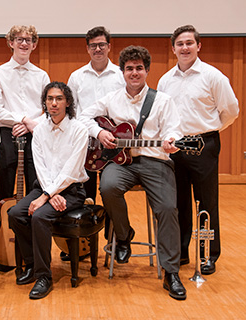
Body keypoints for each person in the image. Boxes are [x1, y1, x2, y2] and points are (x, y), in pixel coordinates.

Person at [79, 45, 187, 300]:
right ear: (122, 72)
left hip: (155, 161)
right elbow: (83, 116)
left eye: (139, 68)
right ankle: (125, 235)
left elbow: (174, 129)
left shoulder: (162, 100)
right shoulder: (112, 98)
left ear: (147, 70)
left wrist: (171, 140)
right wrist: (100, 133)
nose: (134, 73)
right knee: (108, 187)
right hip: (121, 162)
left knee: (167, 209)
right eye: (129, 68)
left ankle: (171, 272)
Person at [157, 25, 239, 275]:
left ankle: (208, 255)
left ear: (198, 46)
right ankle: (181, 252)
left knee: (206, 203)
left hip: (204, 146)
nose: (185, 48)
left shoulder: (213, 77)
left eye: (189, 43)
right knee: (179, 202)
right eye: (180, 44)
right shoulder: (165, 80)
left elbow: (231, 111)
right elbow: (162, 117)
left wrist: (208, 132)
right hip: (176, 149)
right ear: (173, 49)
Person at [8, 81, 89, 300]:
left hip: (72, 189)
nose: (54, 103)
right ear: (45, 102)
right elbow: (40, 166)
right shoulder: (40, 129)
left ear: (68, 102)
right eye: (50, 99)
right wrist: (48, 194)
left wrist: (48, 196)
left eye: (59, 98)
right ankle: (34, 265)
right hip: (44, 186)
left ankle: (44, 277)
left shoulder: (80, 130)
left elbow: (72, 170)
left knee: (40, 217)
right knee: (15, 214)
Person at [0, 25, 50, 206]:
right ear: (11, 43)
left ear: (34, 45)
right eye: (19, 40)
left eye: (28, 40)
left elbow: (49, 110)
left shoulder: (41, 75)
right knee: (5, 183)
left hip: (34, 134)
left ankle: (29, 227)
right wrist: (23, 120)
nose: (24, 43)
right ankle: (4, 226)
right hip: (8, 133)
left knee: (34, 182)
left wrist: (31, 124)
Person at [67, 26, 125, 202]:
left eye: (101, 45)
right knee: (86, 195)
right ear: (87, 49)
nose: (97, 49)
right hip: (85, 143)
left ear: (109, 46)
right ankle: (90, 230)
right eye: (93, 46)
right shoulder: (76, 77)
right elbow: (71, 112)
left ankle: (111, 230)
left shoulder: (121, 75)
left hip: (113, 142)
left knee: (111, 193)